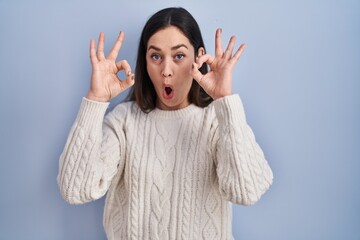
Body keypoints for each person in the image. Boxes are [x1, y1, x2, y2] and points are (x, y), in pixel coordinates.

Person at [57, 7, 273, 240]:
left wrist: (225, 101)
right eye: (156, 56)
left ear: (198, 58)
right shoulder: (124, 122)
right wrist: (95, 99)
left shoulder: (216, 122)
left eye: (179, 56)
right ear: (145, 61)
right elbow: (74, 190)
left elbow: (248, 192)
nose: (166, 71)